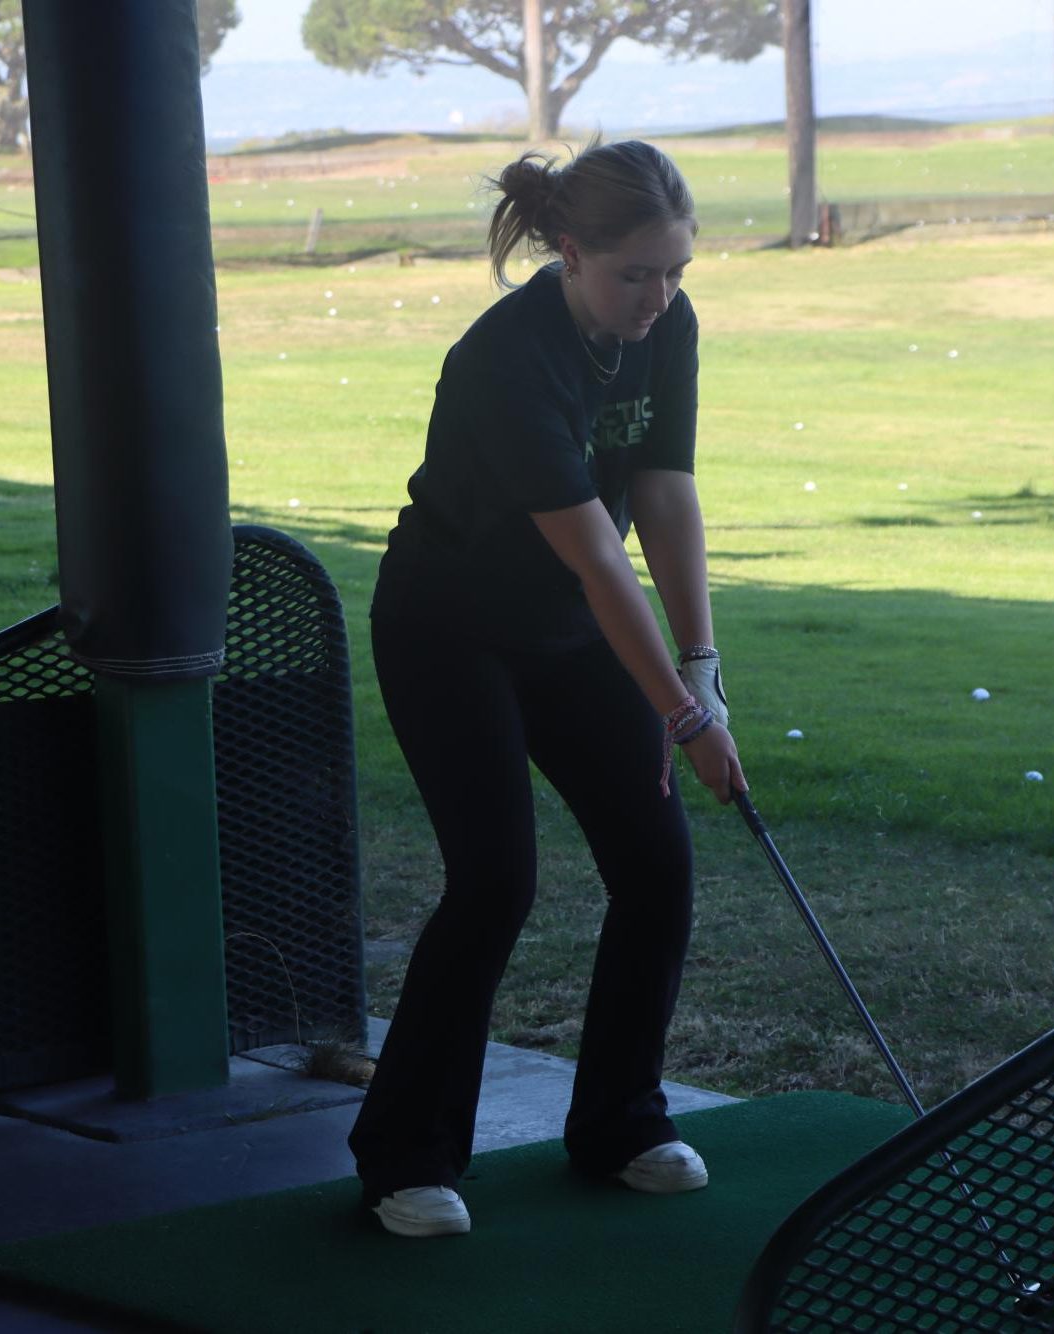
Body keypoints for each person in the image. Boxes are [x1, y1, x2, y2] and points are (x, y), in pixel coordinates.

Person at [347, 138, 745, 1239]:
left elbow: (662, 497)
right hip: (449, 630)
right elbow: (595, 554)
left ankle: (620, 1122)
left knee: (655, 862)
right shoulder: (503, 358)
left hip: (567, 633)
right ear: (570, 254)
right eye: (636, 274)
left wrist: (703, 671)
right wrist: (679, 714)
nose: (659, 297)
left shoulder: (668, 328)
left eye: (675, 271)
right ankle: (405, 1157)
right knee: (494, 880)